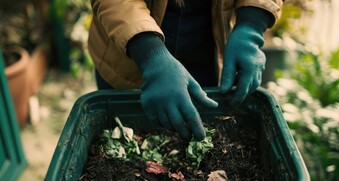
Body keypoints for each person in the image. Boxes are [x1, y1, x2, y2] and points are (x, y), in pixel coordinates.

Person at [88, 0, 283, 141]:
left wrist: (251, 26)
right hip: (129, 58)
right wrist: (150, 54)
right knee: (119, 138)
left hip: (206, 53)